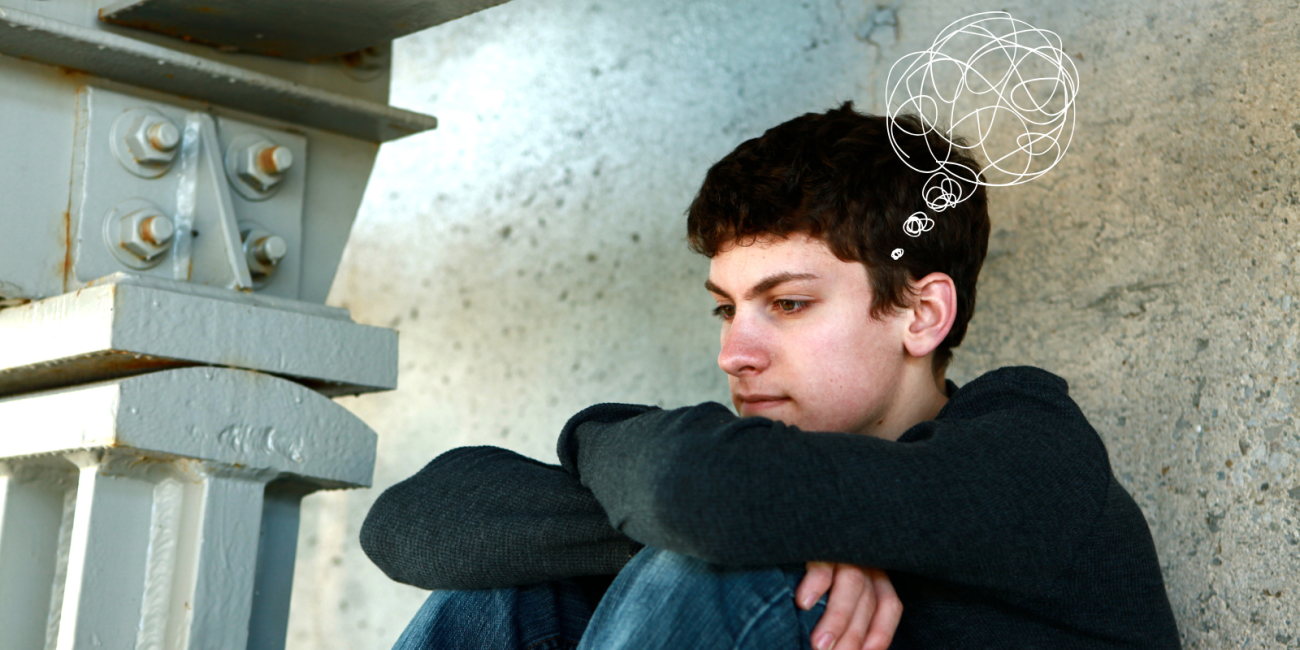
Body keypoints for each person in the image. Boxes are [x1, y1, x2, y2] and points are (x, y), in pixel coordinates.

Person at [361, 102, 1182, 649]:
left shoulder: (1031, 456)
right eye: (726, 309)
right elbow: (410, 525)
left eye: (787, 304)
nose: (734, 354)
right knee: (506, 588)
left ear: (922, 315)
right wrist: (805, 519)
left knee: (719, 561)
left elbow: (701, 494)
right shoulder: (754, 466)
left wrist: (754, 523)